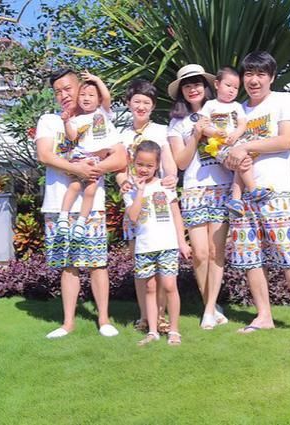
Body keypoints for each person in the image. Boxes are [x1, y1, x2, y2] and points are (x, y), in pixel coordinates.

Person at [224, 51, 290, 342]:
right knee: (250, 256)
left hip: (275, 191)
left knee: (287, 253)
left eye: (260, 74)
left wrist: (245, 147)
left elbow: (286, 140)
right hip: (242, 196)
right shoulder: (237, 111)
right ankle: (264, 316)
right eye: (249, 74)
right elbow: (228, 152)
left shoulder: (285, 100)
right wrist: (232, 156)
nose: (254, 80)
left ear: (271, 77)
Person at [35, 68, 127, 339]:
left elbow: (120, 157)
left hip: (91, 204)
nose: (63, 95)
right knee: (68, 264)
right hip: (58, 204)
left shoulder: (98, 118)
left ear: (81, 88)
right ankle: (68, 323)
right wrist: (77, 169)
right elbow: (45, 155)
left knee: (97, 263)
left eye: (68, 89)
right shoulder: (50, 121)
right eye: (58, 91)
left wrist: (93, 169)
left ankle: (103, 319)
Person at [167, 64, 232, 330]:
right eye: (187, 85)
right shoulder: (177, 123)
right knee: (200, 254)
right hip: (194, 190)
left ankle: (209, 309)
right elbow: (181, 163)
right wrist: (196, 134)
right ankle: (211, 307)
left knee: (216, 251)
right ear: (181, 91)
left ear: (206, 87)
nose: (193, 89)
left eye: (197, 84)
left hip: (221, 187)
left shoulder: (222, 111)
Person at [115, 79, 178, 333]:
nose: (141, 106)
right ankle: (145, 316)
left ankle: (161, 315)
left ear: (153, 106)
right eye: (137, 101)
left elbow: (169, 164)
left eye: (146, 102)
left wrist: (171, 178)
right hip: (134, 202)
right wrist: (123, 183)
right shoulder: (122, 135)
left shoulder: (161, 130)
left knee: (162, 267)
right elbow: (120, 169)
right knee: (141, 265)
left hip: (157, 204)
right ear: (129, 103)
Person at [123, 141, 191, 345]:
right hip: (144, 247)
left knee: (170, 286)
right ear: (133, 163)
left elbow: (176, 216)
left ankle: (174, 330)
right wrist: (140, 191)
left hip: (167, 245)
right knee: (150, 289)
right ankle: (152, 331)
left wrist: (182, 242)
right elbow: (133, 217)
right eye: (140, 164)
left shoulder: (165, 186)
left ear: (157, 165)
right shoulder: (129, 190)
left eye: (149, 165)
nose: (144, 169)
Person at [57, 71, 117, 239]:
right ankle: (63, 216)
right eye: (82, 95)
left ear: (98, 99)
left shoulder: (103, 112)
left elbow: (107, 96)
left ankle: (81, 221)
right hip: (81, 157)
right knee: (75, 186)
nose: (86, 98)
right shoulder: (77, 119)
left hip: (96, 160)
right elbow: (72, 137)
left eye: (91, 95)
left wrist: (96, 79)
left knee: (91, 190)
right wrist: (66, 122)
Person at [198, 66, 263, 217]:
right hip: (219, 146)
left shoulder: (237, 106)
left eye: (236, 88)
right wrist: (215, 132)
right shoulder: (210, 105)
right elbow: (203, 127)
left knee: (244, 160)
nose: (232, 90)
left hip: (236, 142)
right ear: (217, 84)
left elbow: (242, 124)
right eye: (228, 85)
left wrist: (236, 134)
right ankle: (253, 190)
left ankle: (236, 200)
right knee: (242, 162)